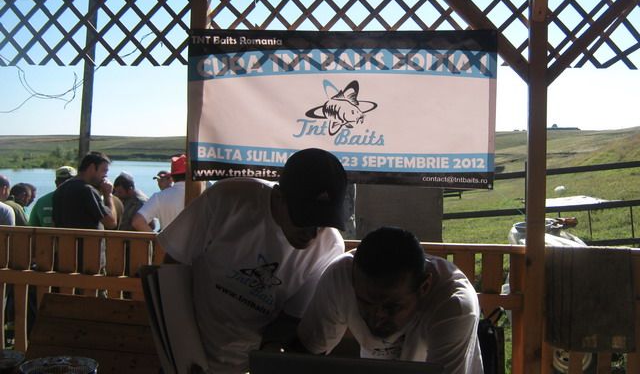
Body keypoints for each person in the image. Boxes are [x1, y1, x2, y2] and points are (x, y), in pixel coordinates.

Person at [158, 148, 348, 373]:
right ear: (279, 197)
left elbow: (291, 317)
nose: (313, 234)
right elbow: (173, 265)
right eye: (304, 219)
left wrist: (268, 354)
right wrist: (179, 349)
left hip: (248, 362)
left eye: (324, 222)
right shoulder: (227, 199)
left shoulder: (329, 247)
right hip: (186, 349)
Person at [296, 226, 483, 374]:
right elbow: (307, 353)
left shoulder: (453, 304)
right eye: (365, 302)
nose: (377, 316)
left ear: (424, 288)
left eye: (392, 307)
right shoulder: (340, 277)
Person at [52, 151, 117, 230]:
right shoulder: (87, 190)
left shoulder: (60, 189)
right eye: (104, 171)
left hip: (64, 238)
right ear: (92, 167)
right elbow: (111, 223)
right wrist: (108, 195)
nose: (105, 176)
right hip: (86, 238)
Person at [131, 155, 186, 232]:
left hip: (167, 239)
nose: (159, 182)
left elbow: (137, 222)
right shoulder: (201, 194)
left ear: (172, 178)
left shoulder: (158, 197)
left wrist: (157, 238)